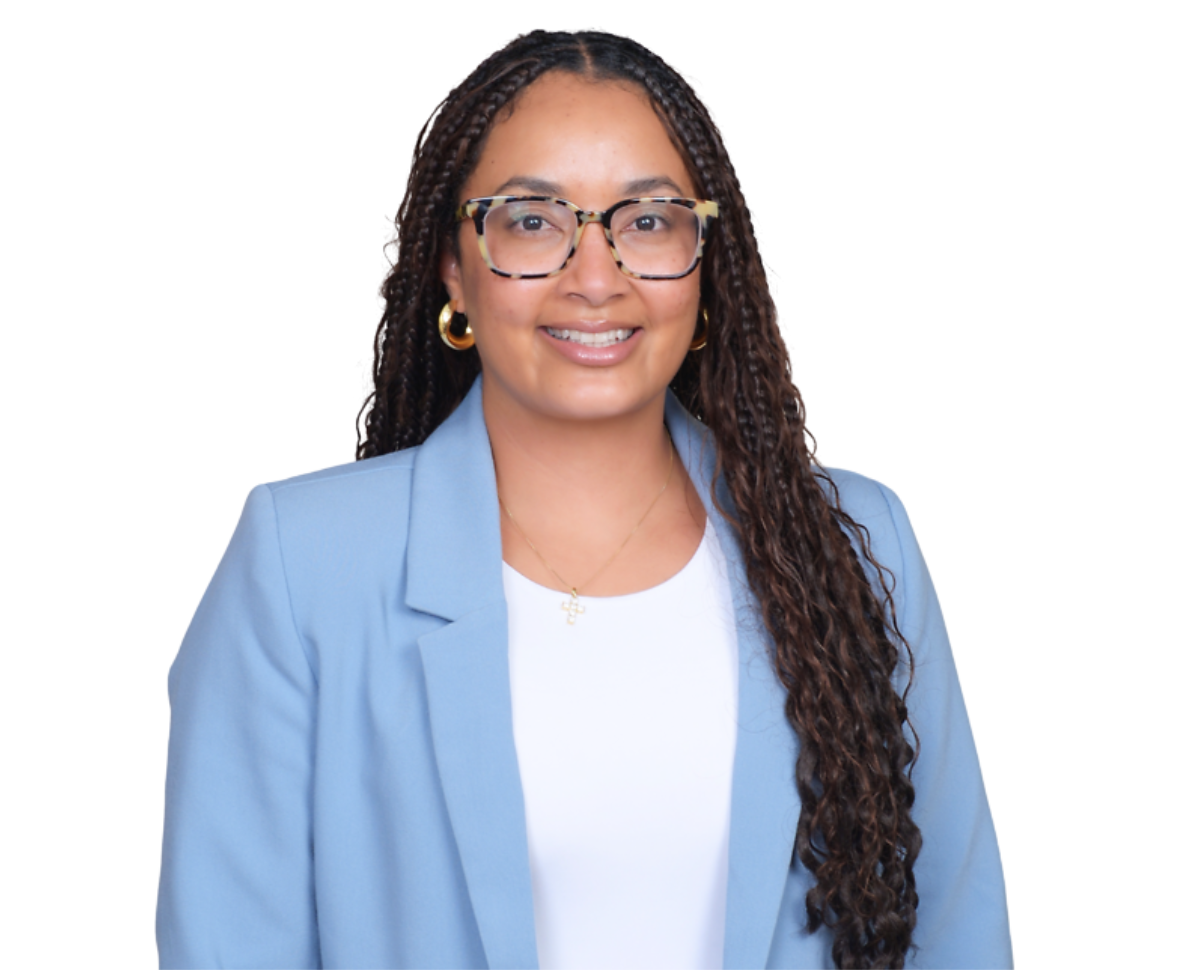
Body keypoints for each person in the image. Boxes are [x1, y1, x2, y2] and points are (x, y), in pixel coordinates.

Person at [156, 27, 1012, 970]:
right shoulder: (301, 566)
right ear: (454, 264)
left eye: (647, 221)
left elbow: (958, 937)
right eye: (531, 221)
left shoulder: (858, 541)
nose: (595, 278)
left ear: (706, 260)